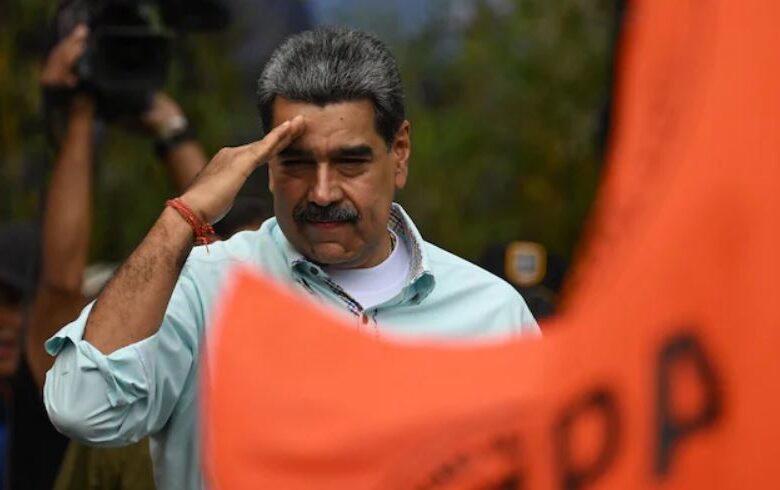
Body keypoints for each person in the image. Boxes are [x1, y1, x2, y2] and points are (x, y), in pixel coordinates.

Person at [43, 26, 540, 489]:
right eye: (297, 163)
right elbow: (82, 408)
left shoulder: (492, 315)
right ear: (265, 162)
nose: (322, 192)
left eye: (350, 162)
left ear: (401, 152)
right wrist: (183, 214)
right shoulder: (204, 288)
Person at [2, 24, 208, 489]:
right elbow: (60, 284)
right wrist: (81, 115)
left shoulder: (118, 394)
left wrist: (171, 129)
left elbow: (228, 250)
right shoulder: (62, 393)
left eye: (16, 301)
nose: (5, 322)